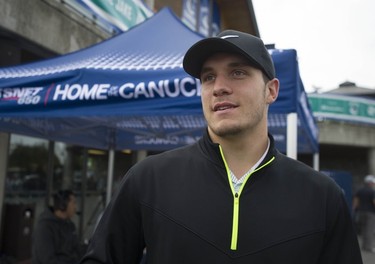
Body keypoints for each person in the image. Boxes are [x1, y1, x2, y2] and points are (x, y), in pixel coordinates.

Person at [80, 30, 362, 263]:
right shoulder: (148, 178)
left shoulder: (323, 197)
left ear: (271, 90)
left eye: (237, 73)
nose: (219, 87)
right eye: (208, 77)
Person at [32, 189, 85, 264]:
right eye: (74, 203)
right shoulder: (44, 228)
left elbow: (78, 250)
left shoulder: (70, 225)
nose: (75, 207)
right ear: (63, 205)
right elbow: (48, 260)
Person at [353, 174, 375, 252]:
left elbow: (356, 201)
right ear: (370, 183)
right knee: (369, 230)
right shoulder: (372, 191)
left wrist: (355, 209)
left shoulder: (360, 190)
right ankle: (368, 247)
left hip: (361, 212)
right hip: (370, 213)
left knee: (363, 230)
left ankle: (364, 246)